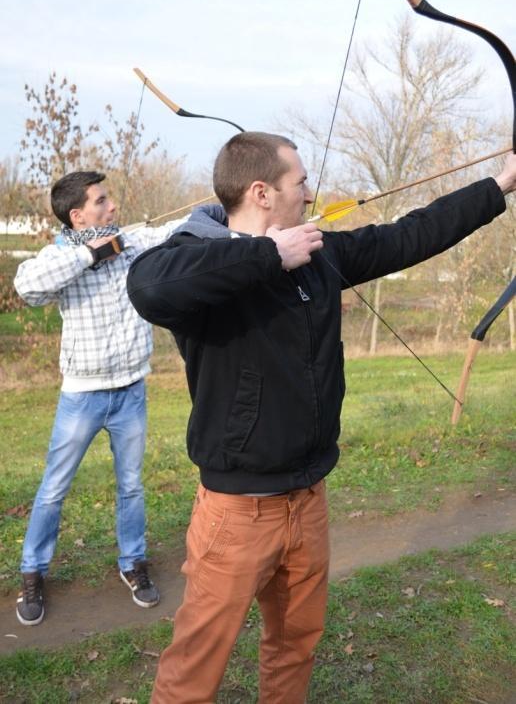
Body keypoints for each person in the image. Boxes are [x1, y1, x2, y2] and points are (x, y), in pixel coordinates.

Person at [127, 133, 516, 703]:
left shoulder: (320, 254)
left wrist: (500, 184)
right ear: (261, 192)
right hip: (239, 512)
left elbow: (407, 235)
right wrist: (267, 255)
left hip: (308, 499)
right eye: (300, 182)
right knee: (195, 666)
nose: (310, 194)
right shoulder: (198, 260)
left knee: (295, 646)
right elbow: (148, 284)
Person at [14, 170, 187, 627]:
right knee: (54, 488)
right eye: (102, 201)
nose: (112, 207)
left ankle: (133, 562)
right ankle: (33, 572)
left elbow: (173, 232)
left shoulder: (129, 240)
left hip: (131, 391)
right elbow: (27, 285)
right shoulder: (60, 255)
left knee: (131, 485)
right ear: (78, 215)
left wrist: (218, 212)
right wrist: (90, 255)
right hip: (82, 396)